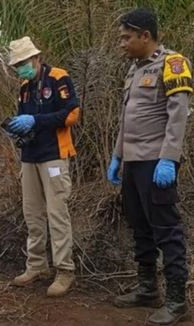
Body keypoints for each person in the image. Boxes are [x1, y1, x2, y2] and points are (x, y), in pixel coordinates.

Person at [107, 8, 192, 325]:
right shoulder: (133, 69)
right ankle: (147, 288)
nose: (122, 43)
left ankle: (176, 300)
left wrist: (169, 158)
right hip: (132, 163)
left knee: (166, 230)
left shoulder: (172, 64)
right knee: (140, 227)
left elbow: (178, 115)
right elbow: (127, 119)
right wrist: (118, 155)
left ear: (145, 35)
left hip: (156, 164)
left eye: (126, 37)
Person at [6, 36, 80, 297]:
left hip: (54, 156)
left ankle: (64, 270)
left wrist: (34, 120)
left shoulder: (58, 78)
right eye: (16, 66)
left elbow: (71, 114)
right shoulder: (24, 87)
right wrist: (17, 128)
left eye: (23, 63)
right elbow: (25, 120)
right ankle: (37, 265)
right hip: (30, 157)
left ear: (36, 58)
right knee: (33, 214)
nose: (20, 69)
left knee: (57, 214)